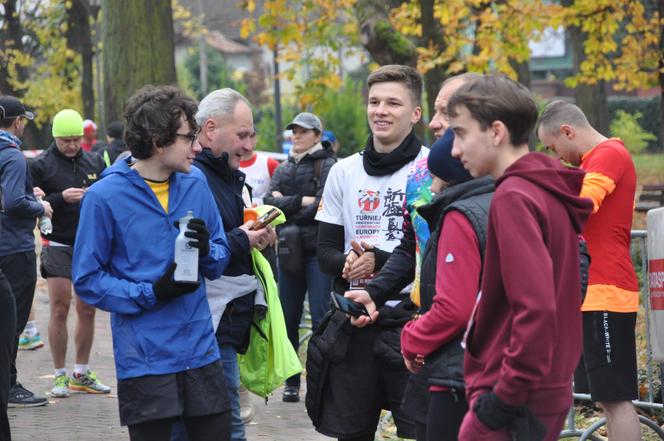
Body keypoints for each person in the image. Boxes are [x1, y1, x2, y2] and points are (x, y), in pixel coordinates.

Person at [73, 85, 232, 441]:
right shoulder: (104, 197)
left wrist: (208, 251)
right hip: (145, 359)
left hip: (201, 352)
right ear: (159, 141)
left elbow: (219, 258)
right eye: (189, 137)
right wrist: (152, 291)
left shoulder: (197, 183)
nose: (197, 146)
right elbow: (87, 279)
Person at [447, 75, 593, 440]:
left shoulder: (514, 196)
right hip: (545, 385)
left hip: (517, 393)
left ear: (496, 132)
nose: (454, 149)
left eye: (462, 134)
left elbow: (536, 307)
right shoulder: (543, 189)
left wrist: (504, 398)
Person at [310, 64, 427, 441]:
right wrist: (347, 264)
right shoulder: (343, 171)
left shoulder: (429, 169)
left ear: (415, 113)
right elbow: (324, 249)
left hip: (410, 321)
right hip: (354, 321)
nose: (381, 110)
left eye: (393, 103)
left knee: (421, 431)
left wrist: (379, 259)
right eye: (374, 102)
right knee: (349, 432)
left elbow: (433, 250)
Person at [537, 100, 641, 441]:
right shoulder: (593, 160)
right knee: (605, 399)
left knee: (616, 398)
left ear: (568, 131)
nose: (557, 156)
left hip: (606, 288)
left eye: (554, 147)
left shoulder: (607, 155)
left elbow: (581, 205)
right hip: (594, 289)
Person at [194, 88, 277, 441]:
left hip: (228, 320)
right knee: (228, 425)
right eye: (242, 135)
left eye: (252, 135)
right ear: (210, 130)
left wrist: (253, 238)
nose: (249, 146)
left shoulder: (227, 174)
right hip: (212, 320)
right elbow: (198, 256)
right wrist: (243, 239)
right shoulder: (196, 180)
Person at [30, 108, 109, 398]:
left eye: (76, 140)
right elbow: (31, 201)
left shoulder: (94, 160)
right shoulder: (41, 165)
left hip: (89, 244)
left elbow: (107, 194)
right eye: (66, 141)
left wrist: (94, 194)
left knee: (87, 308)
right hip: (58, 243)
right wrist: (58, 198)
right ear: (55, 138)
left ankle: (81, 372)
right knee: (60, 307)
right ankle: (60, 375)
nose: (73, 146)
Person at [263, 112, 335, 403]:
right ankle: (292, 382)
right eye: (294, 130)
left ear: (318, 135)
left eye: (303, 131)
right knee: (288, 320)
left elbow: (323, 206)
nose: (297, 135)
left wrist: (287, 204)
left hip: (317, 253)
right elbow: (269, 204)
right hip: (288, 252)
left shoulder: (328, 165)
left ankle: (321, 382)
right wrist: (298, 202)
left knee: (321, 320)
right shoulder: (283, 167)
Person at [0, 95, 51, 409]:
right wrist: (40, 205)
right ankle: (10, 384)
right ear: (18, 121)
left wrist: (24, 192)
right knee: (12, 323)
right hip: (15, 248)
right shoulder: (14, 156)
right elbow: (13, 203)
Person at [239, 130, 280, 206]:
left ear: (256, 138)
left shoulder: (270, 163)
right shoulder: (229, 165)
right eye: (243, 136)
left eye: (251, 136)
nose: (248, 140)